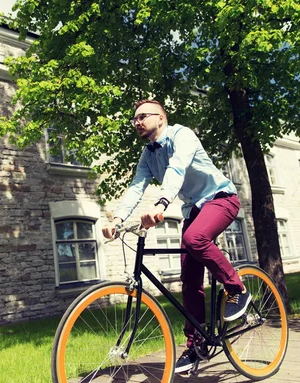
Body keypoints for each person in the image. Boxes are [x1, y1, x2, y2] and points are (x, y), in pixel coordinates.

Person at [102, 99, 251, 373]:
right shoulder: (147, 155)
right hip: (195, 208)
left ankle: (236, 288)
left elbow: (177, 168)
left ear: (161, 118)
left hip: (221, 199)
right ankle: (196, 345)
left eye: (142, 117)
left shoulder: (182, 135)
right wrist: (118, 219)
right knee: (189, 278)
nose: (136, 122)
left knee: (195, 239)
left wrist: (161, 203)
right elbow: (136, 187)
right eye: (133, 119)